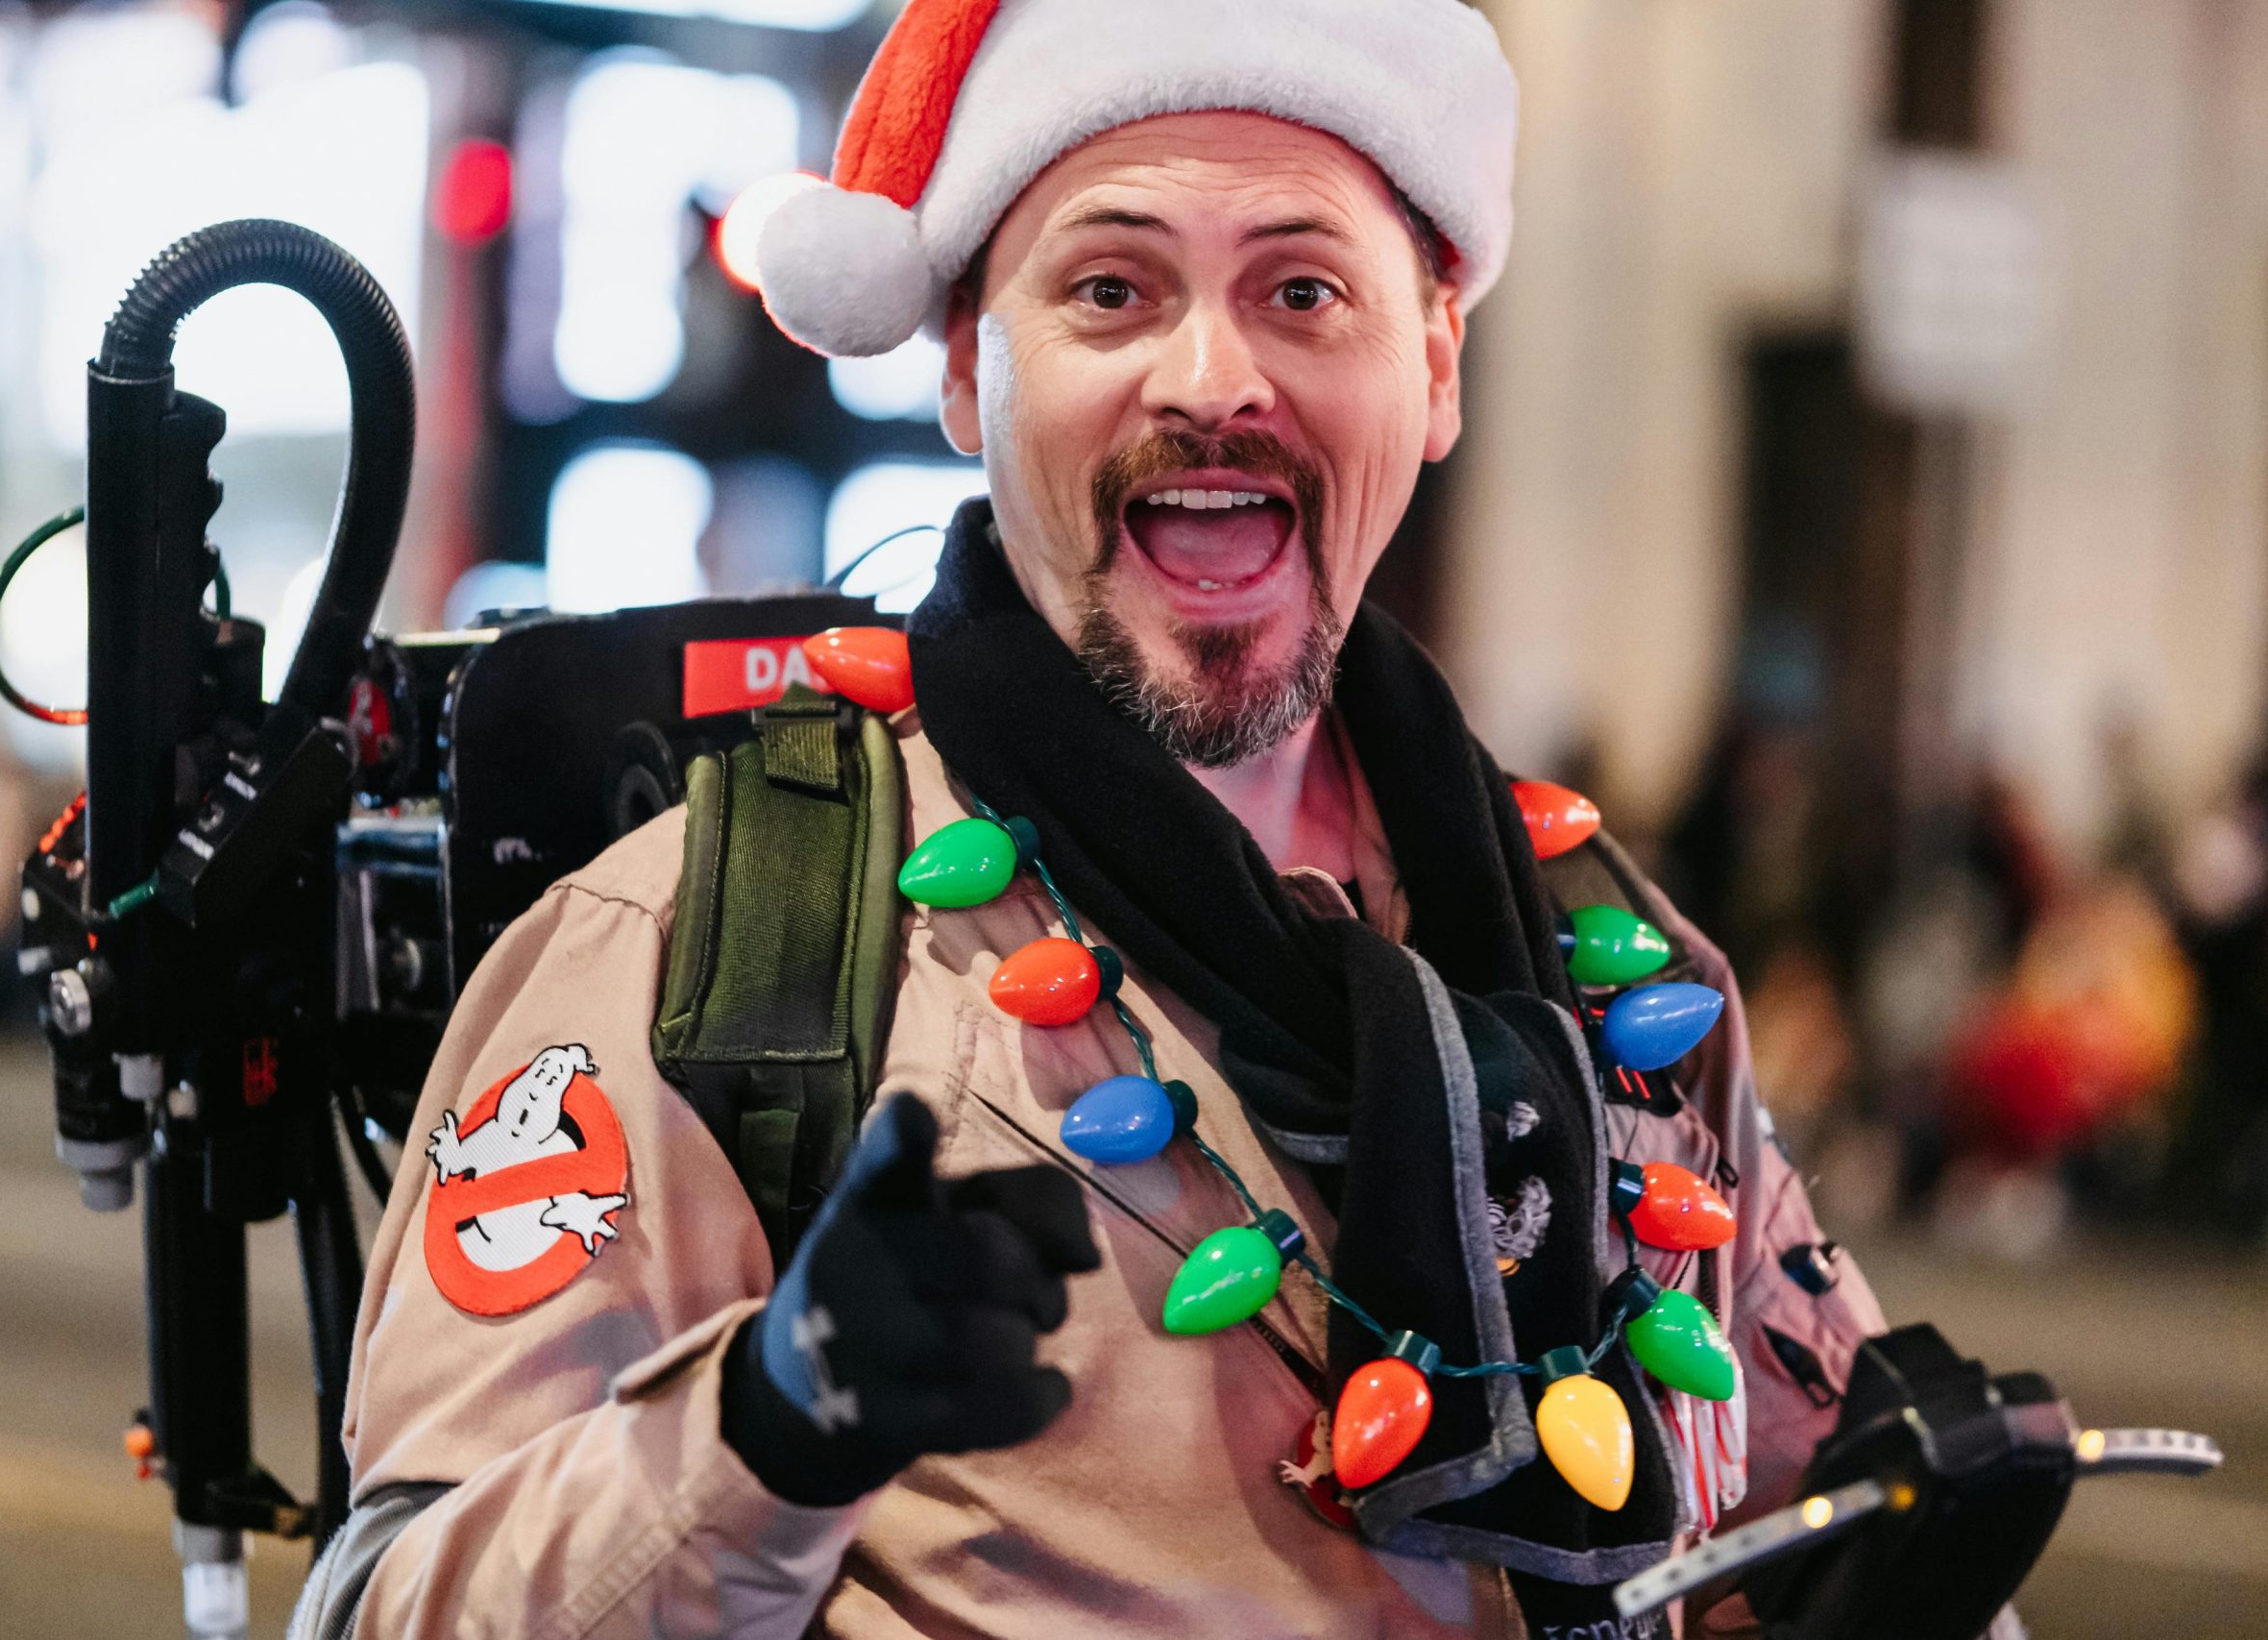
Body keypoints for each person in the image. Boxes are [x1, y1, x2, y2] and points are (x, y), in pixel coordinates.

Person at [292, 4, 1890, 1635]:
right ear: (970, 367)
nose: (1212, 380)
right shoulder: (714, 951)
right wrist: (761, 1438)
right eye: (1111, 288)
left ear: (1432, 365)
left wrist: (1904, 1567)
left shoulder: (1612, 970)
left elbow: (1807, 1492)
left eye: (1304, 291)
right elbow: (388, 1608)